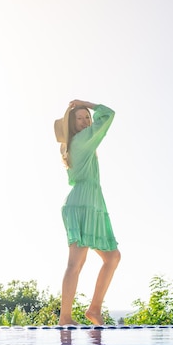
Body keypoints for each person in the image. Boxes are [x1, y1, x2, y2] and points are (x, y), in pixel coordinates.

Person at [54, 99, 121, 325]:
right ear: (72, 125)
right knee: (76, 263)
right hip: (82, 203)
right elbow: (109, 114)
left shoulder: (76, 142)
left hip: (91, 203)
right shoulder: (82, 139)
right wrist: (86, 103)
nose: (85, 121)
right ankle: (65, 317)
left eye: (87, 118)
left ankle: (94, 309)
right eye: (79, 118)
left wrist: (81, 107)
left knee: (112, 257)